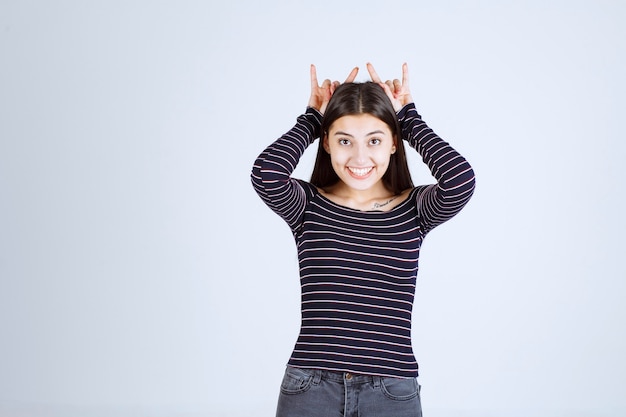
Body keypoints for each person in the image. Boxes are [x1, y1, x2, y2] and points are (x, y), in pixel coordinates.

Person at [251, 62, 476, 417]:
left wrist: (409, 119)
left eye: (374, 140)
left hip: (390, 390)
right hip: (311, 387)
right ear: (326, 143)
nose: (359, 157)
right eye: (344, 140)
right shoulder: (308, 205)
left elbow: (460, 180)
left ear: (392, 144)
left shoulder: (414, 209)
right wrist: (312, 118)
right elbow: (266, 173)